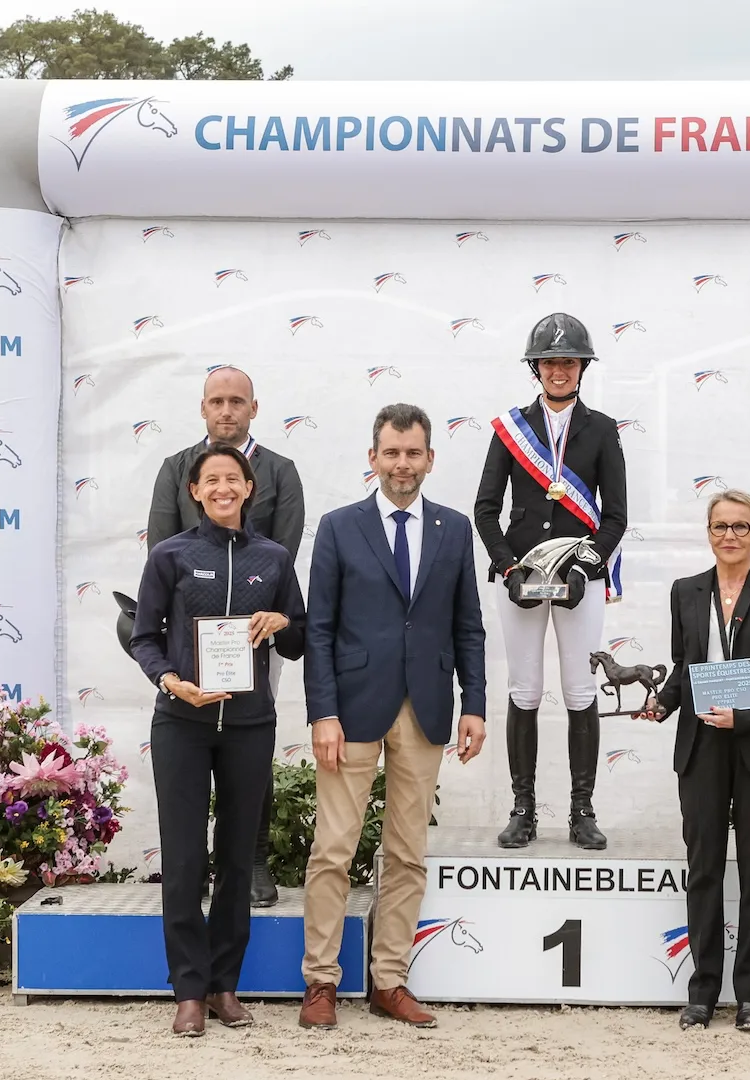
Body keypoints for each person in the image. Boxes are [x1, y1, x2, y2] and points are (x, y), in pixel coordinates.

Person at [298, 405, 486, 1030]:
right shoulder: (337, 527)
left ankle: (389, 980)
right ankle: (321, 983)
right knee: (333, 850)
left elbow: (468, 626)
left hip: (427, 709)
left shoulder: (455, 529)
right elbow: (319, 628)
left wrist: (475, 704)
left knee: (407, 852)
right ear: (373, 457)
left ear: (430, 458)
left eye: (413, 453)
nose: (402, 464)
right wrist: (322, 711)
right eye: (391, 453)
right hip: (351, 711)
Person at [130, 443, 306, 1036]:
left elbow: (299, 637)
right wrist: (172, 682)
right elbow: (144, 636)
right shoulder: (170, 555)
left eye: (234, 478)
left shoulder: (275, 558)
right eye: (212, 480)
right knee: (183, 859)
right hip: (182, 721)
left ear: (249, 488)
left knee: (235, 858)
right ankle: (187, 991)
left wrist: (283, 620)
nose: (224, 487)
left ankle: (225, 986)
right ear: (196, 491)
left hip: (250, 726)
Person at [638, 490, 750, 1033]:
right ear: (707, 532)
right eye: (719, 526)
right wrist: (661, 702)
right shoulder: (685, 592)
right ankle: (703, 992)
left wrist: (747, 715)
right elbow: (685, 665)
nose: (729, 536)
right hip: (701, 745)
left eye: (740, 526)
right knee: (704, 869)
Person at [146, 364, 305, 908]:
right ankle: (193, 874)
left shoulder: (281, 471)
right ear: (203, 408)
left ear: (254, 408)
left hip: (256, 642)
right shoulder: (175, 468)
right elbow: (162, 555)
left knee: (250, 747)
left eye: (238, 401)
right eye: (217, 401)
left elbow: (280, 556)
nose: (227, 410)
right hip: (189, 648)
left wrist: (265, 621)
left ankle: (254, 860)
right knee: (189, 757)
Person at [474, 312, 628, 851]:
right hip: (521, 576)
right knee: (526, 689)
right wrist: (507, 566)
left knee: (580, 690)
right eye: (550, 361)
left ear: (581, 368)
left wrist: (589, 565)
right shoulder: (512, 429)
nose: (559, 370)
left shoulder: (602, 429)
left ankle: (582, 811)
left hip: (577, 575)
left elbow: (616, 517)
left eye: (568, 361)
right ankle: (523, 809)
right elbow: (486, 508)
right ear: (536, 368)